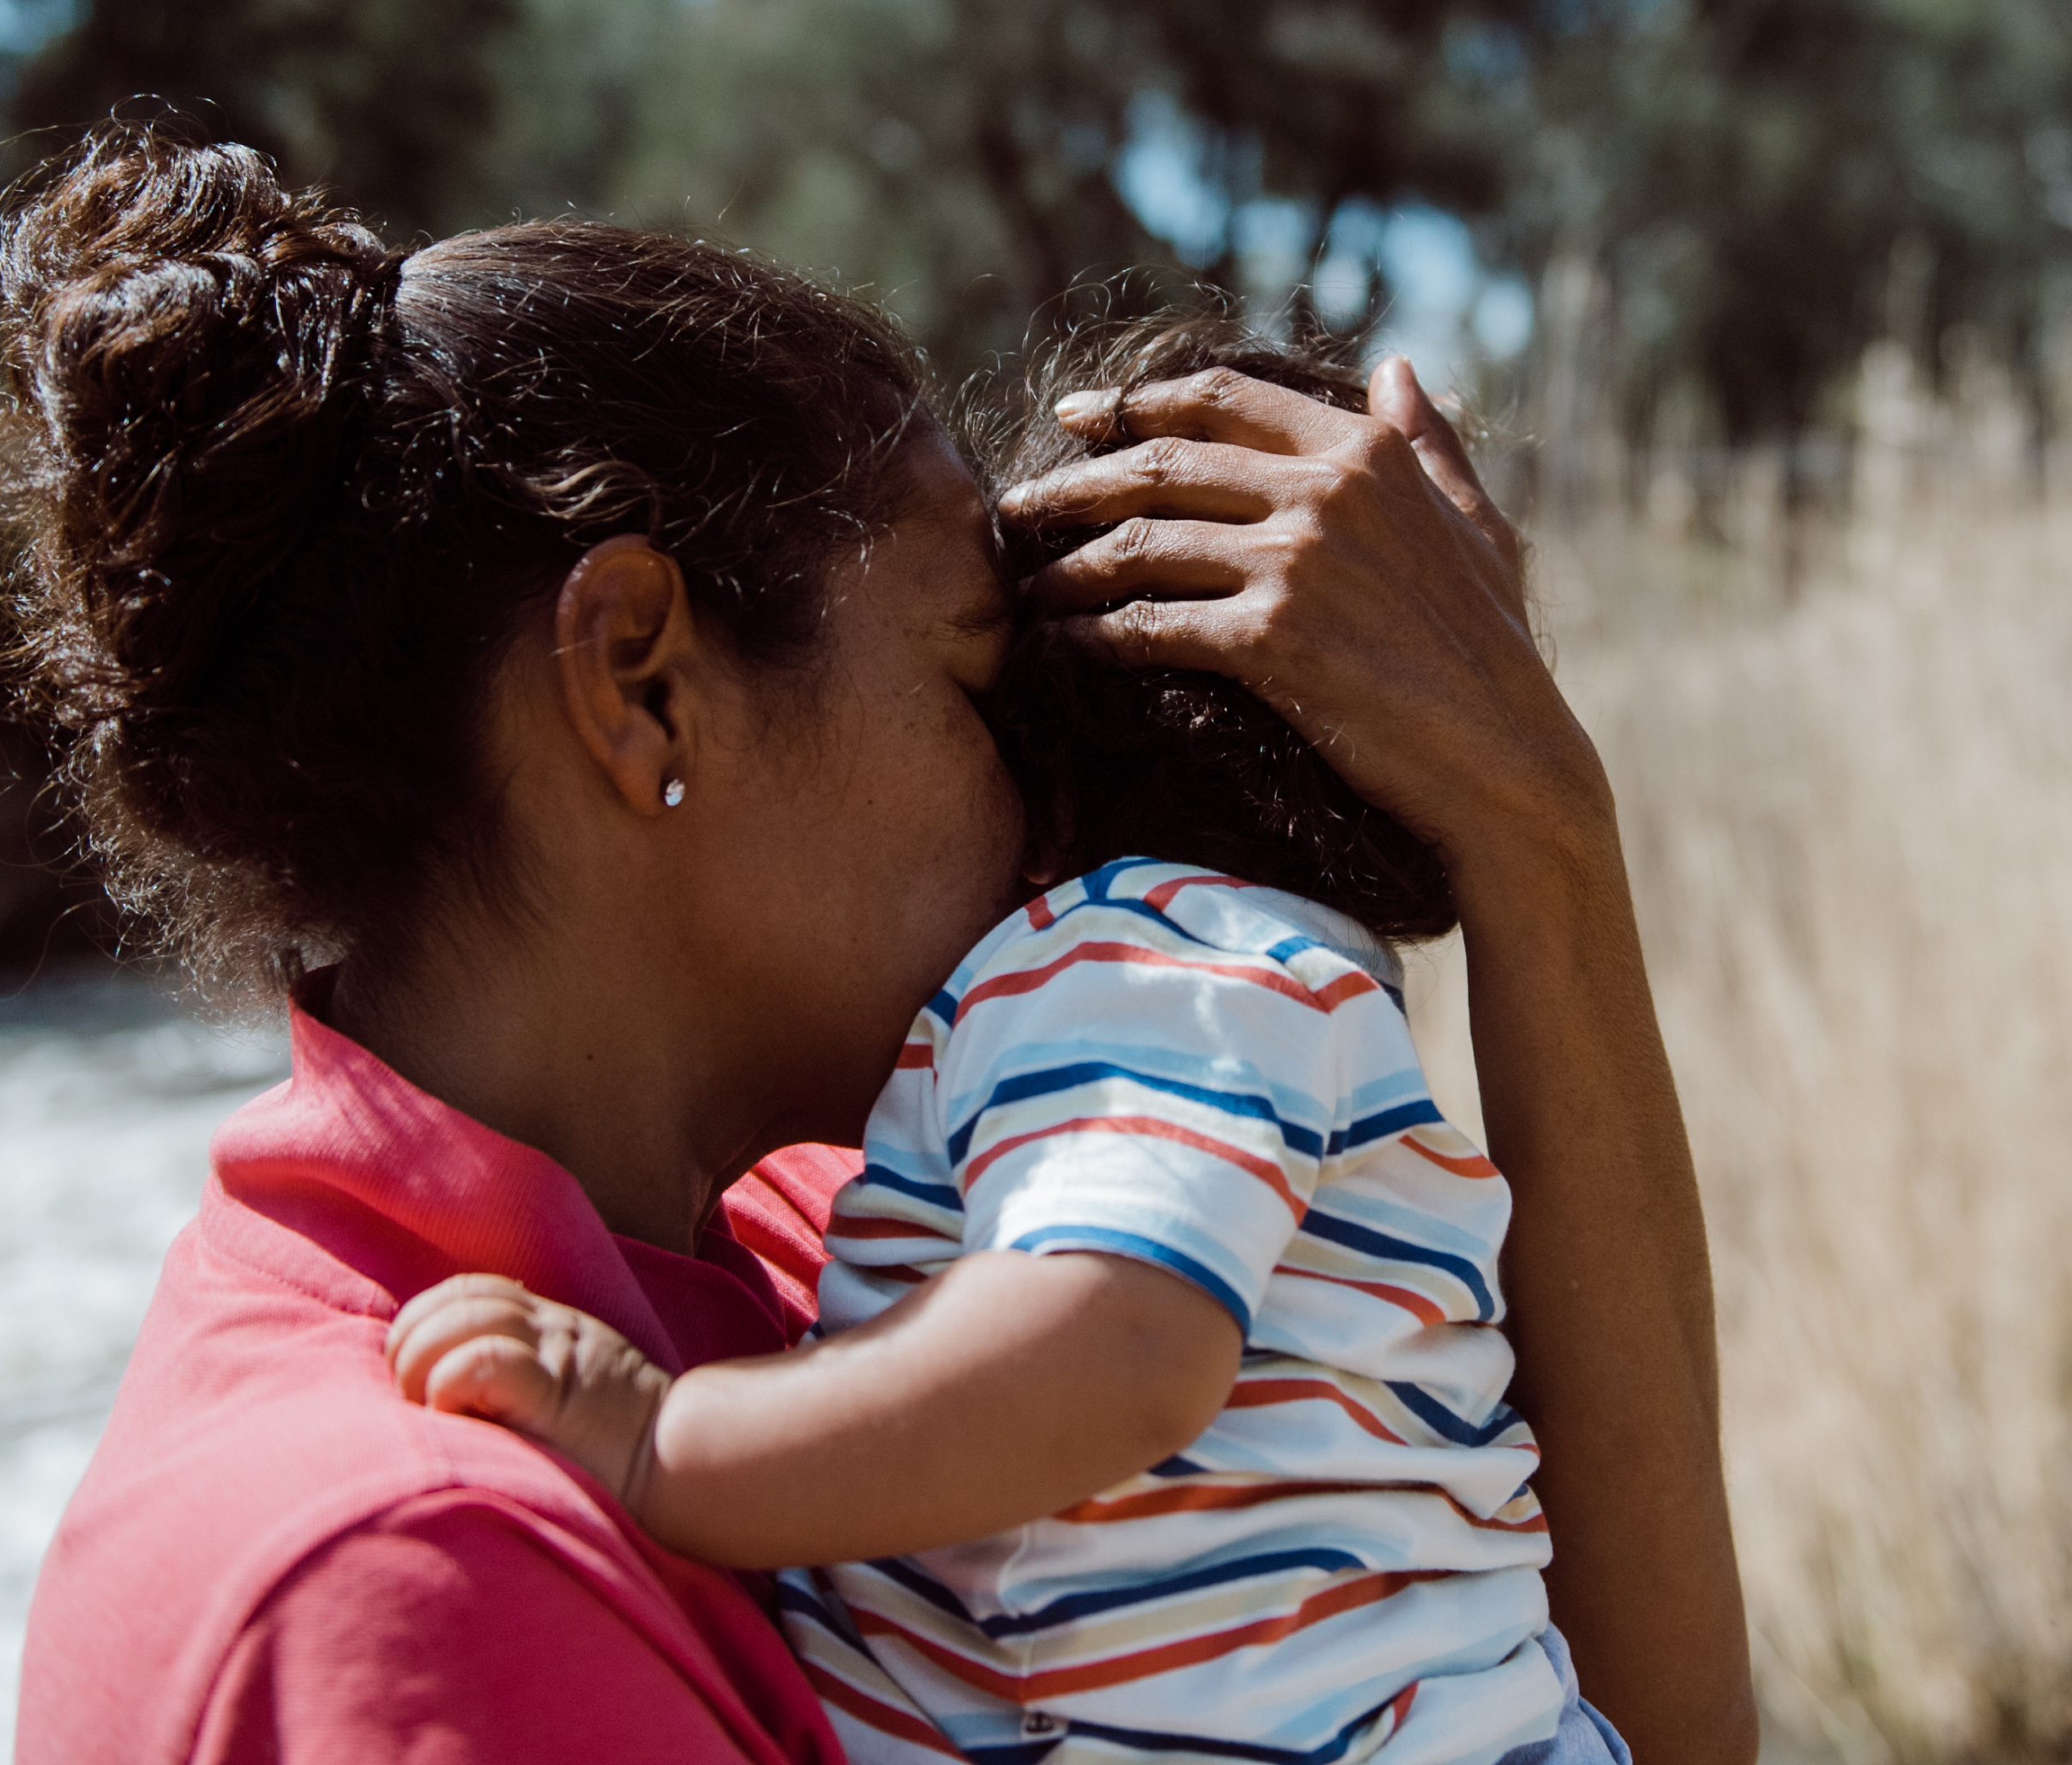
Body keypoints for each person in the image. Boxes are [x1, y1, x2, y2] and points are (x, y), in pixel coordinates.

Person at [0, 120, 1750, 1765]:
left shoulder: (815, 1252)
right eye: (978, 676)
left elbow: (1594, 1705)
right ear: (642, 682)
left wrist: (1537, 826)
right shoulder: (421, 1586)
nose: (1059, 778)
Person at [389, 327, 1614, 1765]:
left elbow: (1118, 1344)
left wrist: (669, 1448)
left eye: (985, 681)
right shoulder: (1265, 985)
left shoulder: (1145, 959)